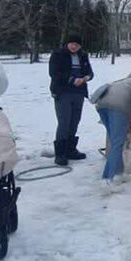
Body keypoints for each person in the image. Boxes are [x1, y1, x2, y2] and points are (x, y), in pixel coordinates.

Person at [89, 69, 131, 184]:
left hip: (101, 105)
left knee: (115, 142)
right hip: (119, 107)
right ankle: (108, 179)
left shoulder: (125, 81)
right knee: (117, 144)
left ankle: (119, 173)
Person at [48, 33, 94, 166]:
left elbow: (90, 72)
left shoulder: (83, 55)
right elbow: (54, 73)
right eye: (72, 44)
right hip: (63, 92)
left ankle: (70, 149)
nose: (74, 46)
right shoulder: (58, 55)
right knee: (64, 122)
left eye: (77, 44)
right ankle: (60, 153)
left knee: (74, 121)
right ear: (67, 44)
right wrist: (72, 80)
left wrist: (86, 78)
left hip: (79, 92)